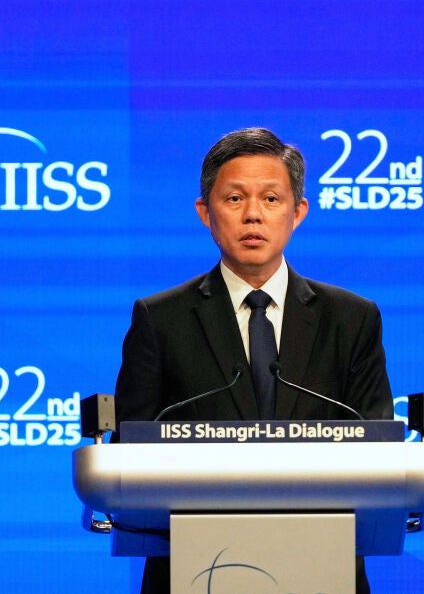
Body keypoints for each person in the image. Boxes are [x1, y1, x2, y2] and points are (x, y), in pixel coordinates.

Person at [114, 127, 394, 593]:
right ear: (205, 212)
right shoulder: (160, 319)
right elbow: (130, 451)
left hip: (322, 564)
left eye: (270, 199)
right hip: (192, 567)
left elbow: (375, 446)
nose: (252, 215)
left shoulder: (351, 319)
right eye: (234, 198)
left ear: (297, 212)